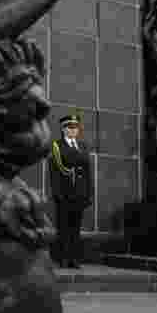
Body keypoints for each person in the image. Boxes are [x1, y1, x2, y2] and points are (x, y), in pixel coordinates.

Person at [49, 115, 93, 269]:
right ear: (63, 129)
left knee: (75, 228)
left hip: (80, 193)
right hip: (65, 193)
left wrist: (89, 194)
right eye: (70, 128)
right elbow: (54, 172)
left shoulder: (83, 146)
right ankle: (63, 258)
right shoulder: (57, 146)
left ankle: (74, 259)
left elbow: (88, 172)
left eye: (75, 128)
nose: (73, 130)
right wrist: (56, 193)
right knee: (63, 228)